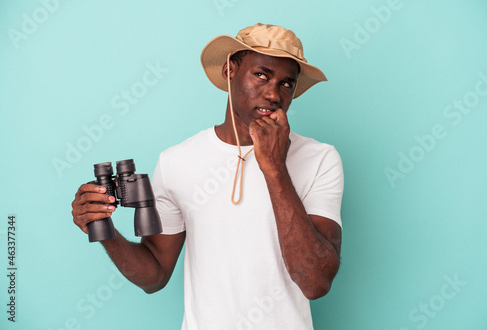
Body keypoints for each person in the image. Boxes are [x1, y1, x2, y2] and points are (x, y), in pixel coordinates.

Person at [72, 23, 344, 329]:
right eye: (262, 75)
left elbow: (316, 283)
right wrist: (104, 230)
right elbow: (155, 275)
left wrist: (275, 168)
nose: (273, 94)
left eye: (286, 84)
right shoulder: (178, 161)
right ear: (230, 71)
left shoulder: (320, 159)